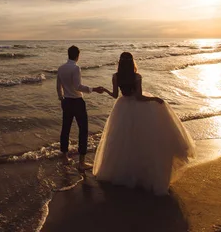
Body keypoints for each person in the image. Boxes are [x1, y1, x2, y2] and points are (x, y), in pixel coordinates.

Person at [92, 52, 195, 195]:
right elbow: (139, 97)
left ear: (120, 63)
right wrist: (154, 99)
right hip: (137, 107)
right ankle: (142, 175)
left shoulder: (116, 76)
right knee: (142, 141)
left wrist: (105, 91)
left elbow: (115, 95)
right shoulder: (136, 76)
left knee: (122, 142)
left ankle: (123, 173)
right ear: (132, 62)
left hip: (122, 107)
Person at [56, 45, 104, 171]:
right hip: (77, 102)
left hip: (66, 101)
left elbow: (58, 86)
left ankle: (65, 158)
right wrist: (93, 89)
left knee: (65, 129)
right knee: (83, 130)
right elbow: (77, 86)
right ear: (78, 55)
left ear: (68, 54)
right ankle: (81, 162)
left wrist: (61, 99)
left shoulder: (61, 68)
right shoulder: (76, 68)